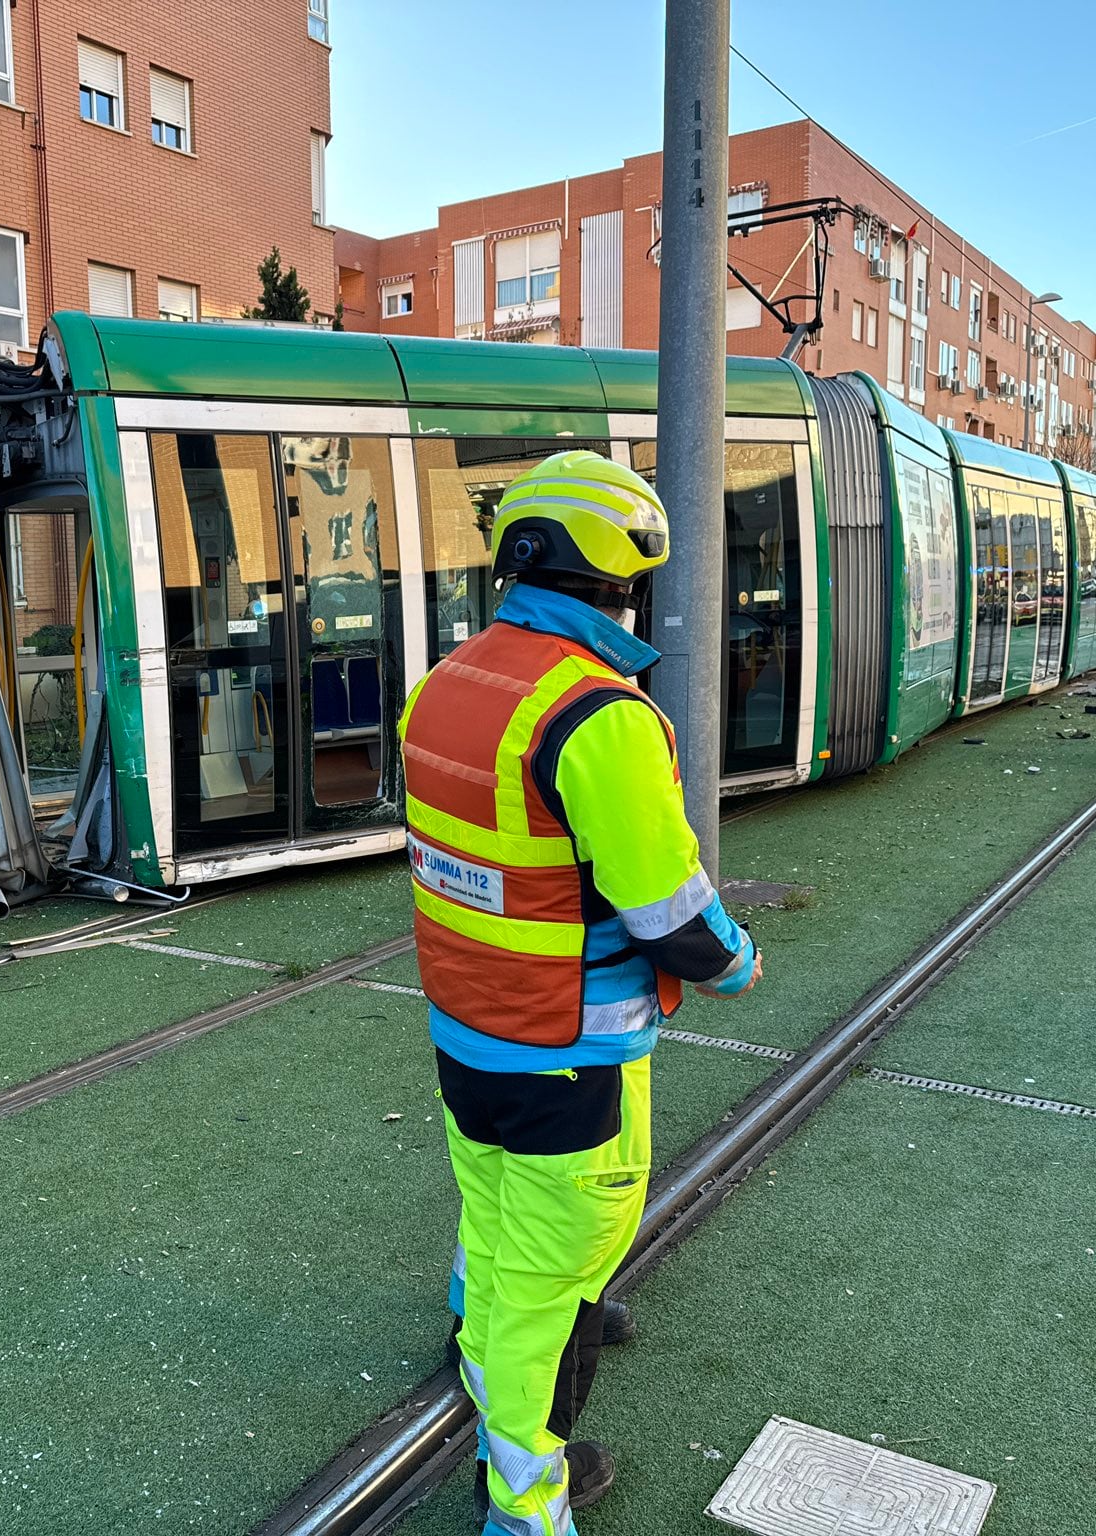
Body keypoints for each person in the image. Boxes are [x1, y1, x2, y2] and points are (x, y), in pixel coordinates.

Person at [399, 452, 762, 1536]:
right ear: (624, 572)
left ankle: (477, 1315)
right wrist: (738, 960)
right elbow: (673, 919)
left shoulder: (447, 682)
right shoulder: (599, 715)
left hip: (467, 1031)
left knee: (494, 1209)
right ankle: (523, 1504)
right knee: (545, 1305)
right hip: (571, 1053)